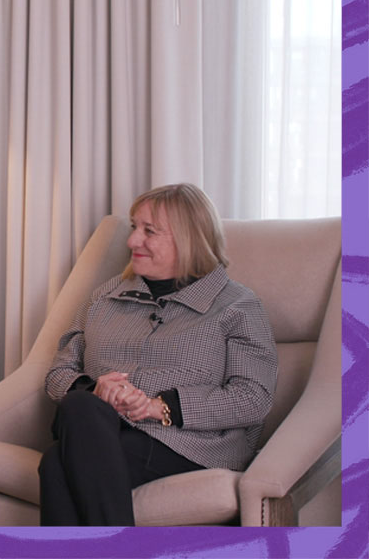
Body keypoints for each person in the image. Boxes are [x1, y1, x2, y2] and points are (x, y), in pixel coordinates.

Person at [38, 183, 278, 526]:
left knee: (55, 463)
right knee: (80, 404)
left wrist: (158, 406)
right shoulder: (106, 296)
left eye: (149, 231)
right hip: (100, 429)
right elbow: (59, 370)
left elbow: (252, 398)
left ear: (189, 239)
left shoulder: (238, 306)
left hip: (190, 445)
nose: (133, 241)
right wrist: (96, 390)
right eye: (135, 227)